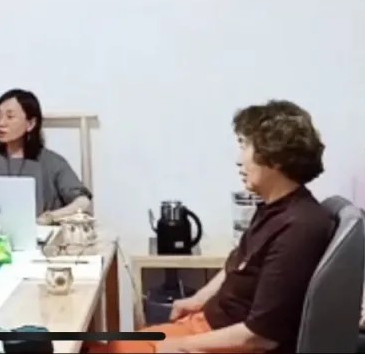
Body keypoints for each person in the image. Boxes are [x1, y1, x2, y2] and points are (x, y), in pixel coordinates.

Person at [96, 100, 334, 354]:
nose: (239, 161)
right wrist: (197, 300)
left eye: (245, 146)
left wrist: (181, 345)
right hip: (208, 326)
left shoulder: (299, 228)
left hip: (231, 343)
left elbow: (261, 337)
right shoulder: (274, 209)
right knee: (103, 347)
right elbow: (236, 266)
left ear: (274, 156)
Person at [0, 88, 92, 223]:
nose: (0, 123)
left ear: (30, 124)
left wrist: (51, 217)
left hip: (41, 233)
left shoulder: (51, 162)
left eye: (10, 117)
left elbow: (83, 201)